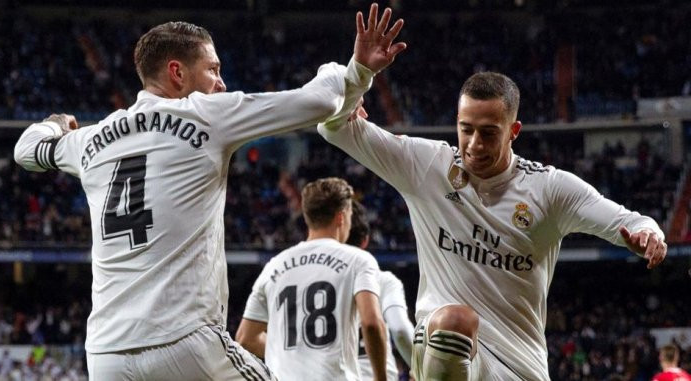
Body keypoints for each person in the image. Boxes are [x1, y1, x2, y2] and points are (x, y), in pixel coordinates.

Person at [13, 4, 406, 379]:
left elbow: (27, 150)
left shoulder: (91, 141)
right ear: (176, 73)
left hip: (105, 353)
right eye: (213, 69)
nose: (221, 82)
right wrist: (351, 72)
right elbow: (321, 99)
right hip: (185, 341)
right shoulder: (206, 114)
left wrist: (56, 124)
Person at [317, 72, 668, 380]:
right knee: (452, 323)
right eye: (465, 129)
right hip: (444, 347)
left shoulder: (549, 189)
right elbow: (332, 126)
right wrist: (360, 72)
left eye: (488, 133)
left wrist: (649, 234)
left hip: (519, 367)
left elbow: (628, 220)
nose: (474, 144)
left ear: (514, 131)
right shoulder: (427, 166)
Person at [236, 178, 387, 380]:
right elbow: (371, 323)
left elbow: (245, 337)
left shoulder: (274, 266)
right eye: (350, 215)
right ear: (341, 217)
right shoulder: (358, 260)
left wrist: (290, 356)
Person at [348, 200, 415, 381]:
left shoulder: (314, 282)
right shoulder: (383, 280)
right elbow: (400, 330)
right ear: (365, 241)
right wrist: (421, 369)